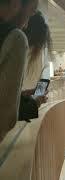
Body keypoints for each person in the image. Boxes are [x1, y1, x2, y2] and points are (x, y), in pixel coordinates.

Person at [0, 0, 39, 142]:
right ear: (16, 4)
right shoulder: (15, 38)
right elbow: (5, 118)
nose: (27, 24)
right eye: (31, 11)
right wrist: (33, 104)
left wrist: (19, 98)